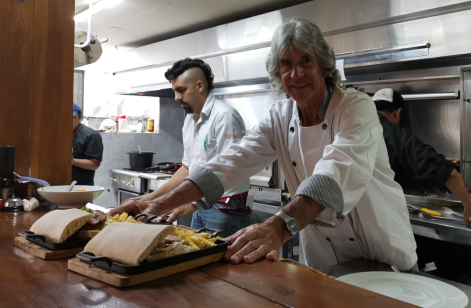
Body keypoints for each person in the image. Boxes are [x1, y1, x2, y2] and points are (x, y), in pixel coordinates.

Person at [110, 18, 417, 271]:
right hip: (327, 260)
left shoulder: (355, 106)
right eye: (286, 63)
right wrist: (156, 203)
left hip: (383, 251)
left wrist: (277, 228)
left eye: (305, 61)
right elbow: (230, 163)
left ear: (323, 64)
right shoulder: (280, 116)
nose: (295, 74)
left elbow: (333, 175)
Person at [120, 58, 252, 238]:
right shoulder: (189, 120)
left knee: (220, 261)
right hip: (199, 203)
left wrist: (191, 204)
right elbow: (187, 168)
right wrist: (149, 199)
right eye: (174, 91)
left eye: (181, 90)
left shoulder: (224, 116)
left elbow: (231, 170)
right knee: (198, 254)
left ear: (199, 86)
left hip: (224, 207)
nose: (176, 97)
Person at [372, 88, 471, 225]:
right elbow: (448, 174)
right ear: (398, 113)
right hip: (379, 221)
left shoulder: (348, 127)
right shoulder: (396, 136)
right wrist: (470, 206)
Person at [72, 103, 103, 186]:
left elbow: (94, 164)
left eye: (71, 118)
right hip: (59, 186)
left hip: (81, 187)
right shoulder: (58, 134)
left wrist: (72, 161)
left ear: (80, 117)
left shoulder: (91, 135)